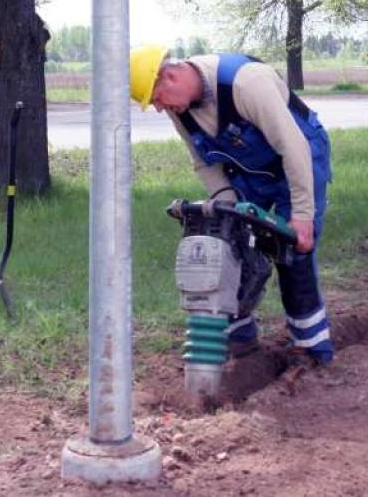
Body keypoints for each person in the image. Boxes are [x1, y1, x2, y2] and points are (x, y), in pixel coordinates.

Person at [129, 46, 334, 366]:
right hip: (248, 169)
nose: (158, 108)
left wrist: (302, 215)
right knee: (228, 247)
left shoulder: (246, 83)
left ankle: (312, 350)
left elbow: (293, 147)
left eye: (156, 99)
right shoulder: (179, 107)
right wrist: (231, 217)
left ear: (170, 76)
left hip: (300, 157)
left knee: (293, 252)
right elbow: (204, 163)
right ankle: (241, 343)